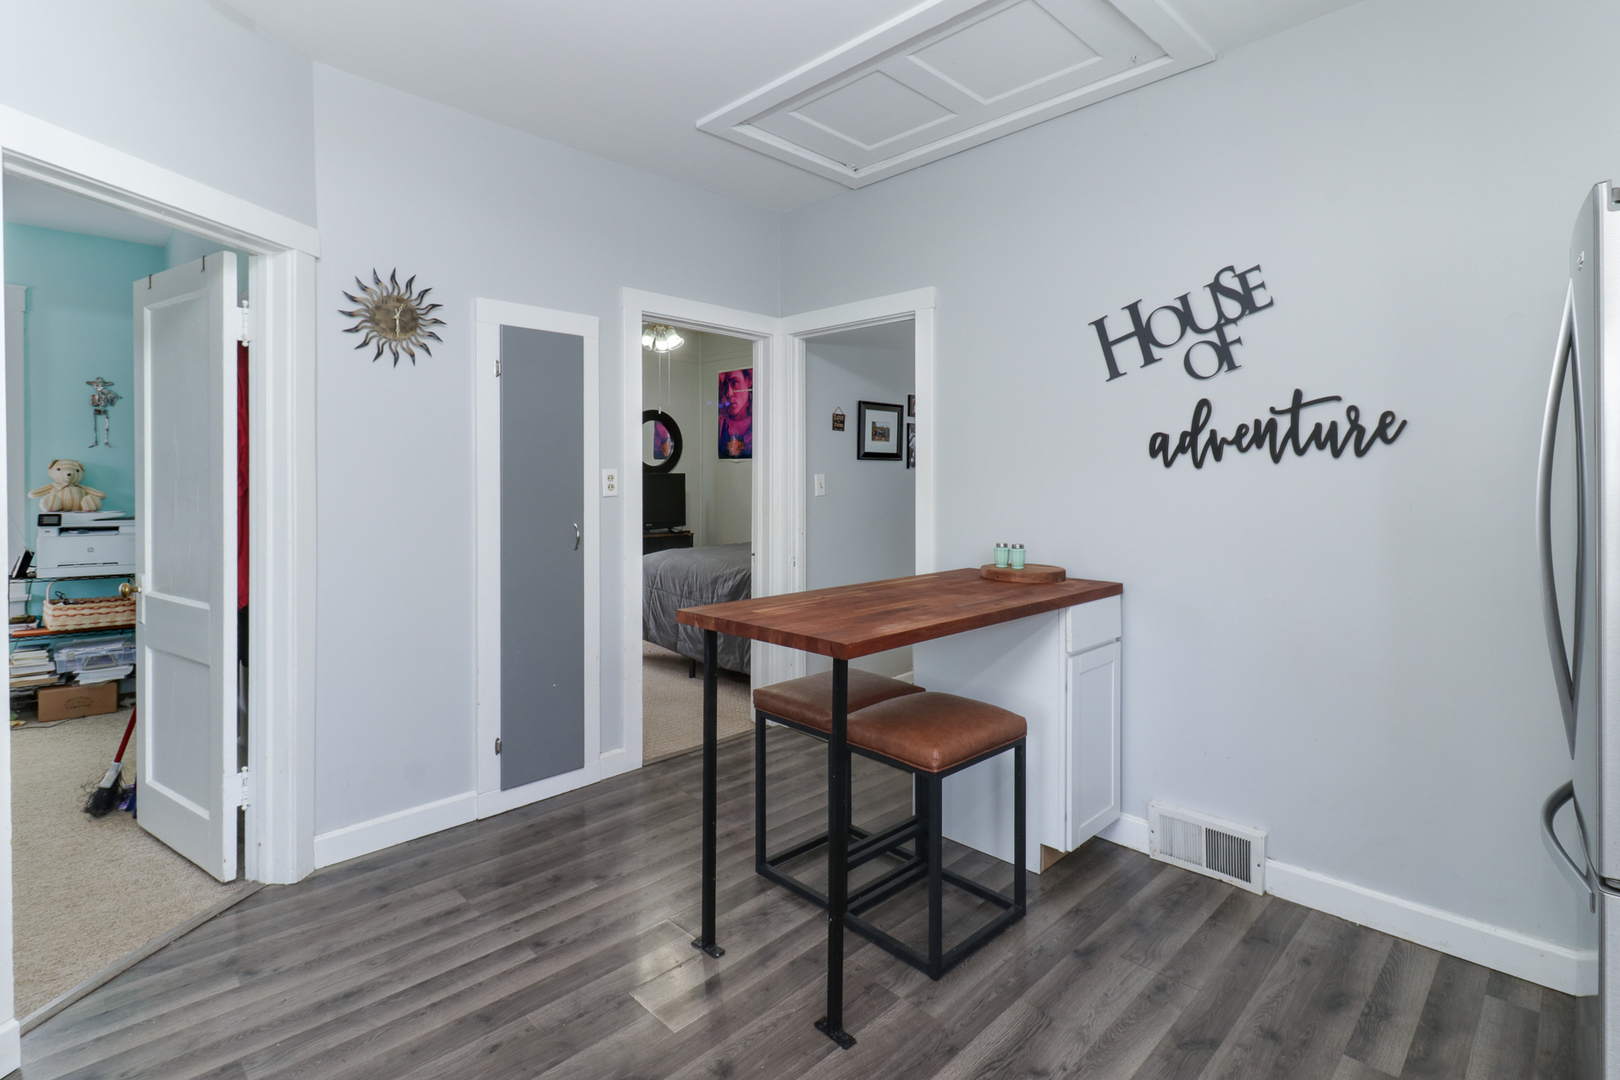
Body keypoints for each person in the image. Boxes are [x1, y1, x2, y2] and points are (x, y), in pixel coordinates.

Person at [718, 368, 752, 459]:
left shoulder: (760, 424)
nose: (729, 393)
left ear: (749, 381)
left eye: (735, 382)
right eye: (725, 385)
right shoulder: (720, 424)